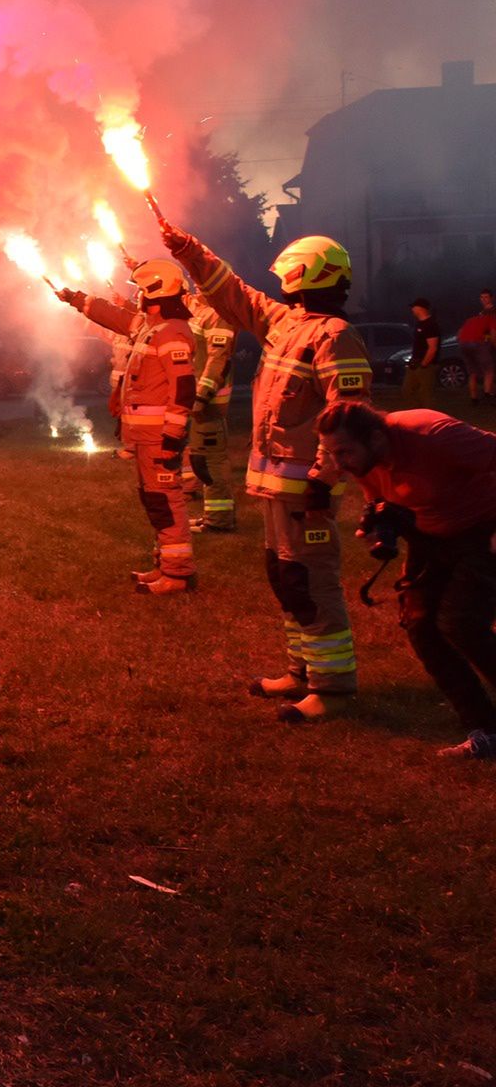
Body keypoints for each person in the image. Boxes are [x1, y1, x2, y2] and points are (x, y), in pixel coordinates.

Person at [165, 224, 371, 721]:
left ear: (308, 275)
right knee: (284, 576)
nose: (282, 281)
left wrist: (325, 482)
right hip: (275, 486)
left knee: (310, 579)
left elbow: (351, 419)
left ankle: (334, 687)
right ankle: (301, 672)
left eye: (290, 272)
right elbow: (232, 293)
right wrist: (189, 249)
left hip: (308, 490)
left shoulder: (335, 336)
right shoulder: (287, 323)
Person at [319, 401, 496, 759]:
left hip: (482, 529)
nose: (339, 464)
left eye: (343, 452)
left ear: (375, 436)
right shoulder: (365, 460)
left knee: (460, 622)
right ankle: (485, 729)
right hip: (430, 536)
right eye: (331, 454)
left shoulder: (433, 435)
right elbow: (383, 499)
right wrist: (378, 524)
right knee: (420, 624)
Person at [56, 258, 200, 594]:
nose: (136, 297)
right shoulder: (152, 328)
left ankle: (178, 574)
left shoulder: (171, 334)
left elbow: (183, 391)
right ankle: (164, 565)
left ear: (154, 291)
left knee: (166, 503)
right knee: (155, 501)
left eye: (140, 291)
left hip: (160, 439)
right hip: (147, 439)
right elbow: (116, 317)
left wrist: (171, 438)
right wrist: (78, 299)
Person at [185, 292, 239, 533]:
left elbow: (218, 360)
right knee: (202, 460)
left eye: (201, 282)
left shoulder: (219, 316)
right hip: (201, 402)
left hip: (209, 403)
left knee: (212, 462)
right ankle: (212, 515)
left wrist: (201, 396)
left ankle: (219, 520)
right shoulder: (203, 310)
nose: (197, 288)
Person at [403, 298, 441, 409]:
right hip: (415, 363)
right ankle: (417, 412)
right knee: (407, 390)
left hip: (426, 365)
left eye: (413, 307)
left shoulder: (430, 325)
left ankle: (428, 417)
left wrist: (424, 364)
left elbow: (432, 348)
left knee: (426, 393)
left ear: (420, 308)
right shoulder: (419, 324)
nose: (412, 310)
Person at [461, 289, 496, 405]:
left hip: (485, 342)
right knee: (485, 370)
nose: (483, 300)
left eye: (486, 297)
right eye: (482, 297)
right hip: (481, 343)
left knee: (486, 370)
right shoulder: (481, 313)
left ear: (491, 298)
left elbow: (492, 331)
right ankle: (484, 395)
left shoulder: (493, 312)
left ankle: (486, 394)